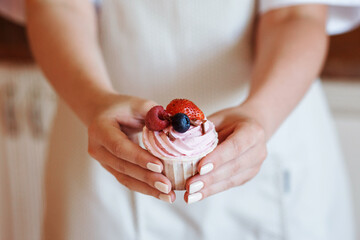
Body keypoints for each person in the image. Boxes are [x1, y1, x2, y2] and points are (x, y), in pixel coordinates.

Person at [25, 0, 360, 239]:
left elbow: (296, 12)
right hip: (104, 135)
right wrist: (94, 101)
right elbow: (56, 5)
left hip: (268, 125)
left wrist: (260, 113)